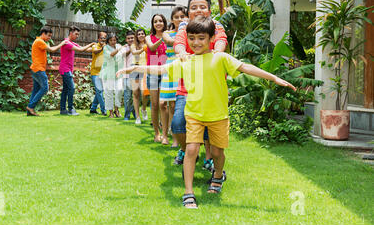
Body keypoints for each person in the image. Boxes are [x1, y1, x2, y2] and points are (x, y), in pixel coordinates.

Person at [116, 16, 296, 209]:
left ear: (211, 39)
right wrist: (135, 68)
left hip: (218, 116)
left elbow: (246, 68)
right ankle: (188, 192)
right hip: (194, 115)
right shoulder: (185, 61)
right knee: (191, 150)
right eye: (191, 38)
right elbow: (161, 69)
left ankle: (218, 176)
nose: (196, 42)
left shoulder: (221, 58)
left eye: (201, 38)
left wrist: (274, 78)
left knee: (218, 152)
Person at [172, 0, 228, 171]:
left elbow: (221, 40)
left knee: (210, 127)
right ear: (188, 12)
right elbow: (179, 42)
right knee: (178, 124)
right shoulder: (183, 26)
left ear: (209, 10)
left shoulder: (216, 25)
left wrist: (217, 53)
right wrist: (181, 53)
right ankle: (185, 150)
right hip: (188, 86)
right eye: (193, 8)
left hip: (212, 87)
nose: (198, 10)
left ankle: (210, 159)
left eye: (202, 7)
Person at [160, 6, 187, 147]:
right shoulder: (167, 33)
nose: (179, 19)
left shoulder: (190, 32)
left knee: (174, 104)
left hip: (182, 67)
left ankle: (175, 137)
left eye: (182, 16)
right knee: (162, 103)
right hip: (169, 65)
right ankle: (164, 134)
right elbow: (170, 42)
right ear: (172, 19)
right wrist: (182, 35)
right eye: (176, 17)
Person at [26, 26, 67, 116]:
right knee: (45, 88)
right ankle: (31, 106)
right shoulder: (39, 41)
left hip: (35, 68)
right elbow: (52, 49)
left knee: (36, 89)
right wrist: (62, 43)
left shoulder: (38, 41)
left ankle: (30, 110)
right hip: (38, 69)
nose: (49, 38)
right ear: (43, 34)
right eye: (48, 36)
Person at [59, 26, 95, 116]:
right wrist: (91, 44)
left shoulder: (72, 43)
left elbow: (86, 49)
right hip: (65, 69)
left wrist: (98, 48)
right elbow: (81, 50)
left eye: (78, 34)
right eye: (76, 34)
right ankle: (70, 109)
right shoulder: (66, 43)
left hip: (67, 69)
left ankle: (63, 110)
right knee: (72, 88)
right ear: (71, 33)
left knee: (66, 89)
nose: (77, 36)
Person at [145, 14, 168, 144]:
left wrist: (166, 37)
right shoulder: (149, 37)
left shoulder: (168, 35)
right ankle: (156, 133)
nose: (158, 23)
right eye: (155, 21)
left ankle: (165, 134)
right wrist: (163, 39)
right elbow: (152, 47)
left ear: (164, 23)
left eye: (160, 21)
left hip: (165, 71)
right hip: (152, 71)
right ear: (153, 24)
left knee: (163, 104)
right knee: (154, 105)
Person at [100, 33, 124, 118]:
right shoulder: (105, 47)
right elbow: (111, 55)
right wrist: (119, 49)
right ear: (108, 41)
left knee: (119, 90)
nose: (113, 42)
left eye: (114, 40)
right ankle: (110, 112)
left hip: (118, 73)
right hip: (108, 73)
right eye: (111, 40)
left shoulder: (119, 46)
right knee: (108, 92)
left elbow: (125, 54)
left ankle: (116, 109)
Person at [130, 28, 149, 124]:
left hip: (145, 68)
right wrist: (143, 49)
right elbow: (134, 52)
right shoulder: (134, 45)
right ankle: (137, 117)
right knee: (135, 93)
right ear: (136, 36)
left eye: (142, 34)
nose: (141, 35)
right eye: (139, 34)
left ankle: (144, 109)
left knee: (144, 93)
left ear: (145, 35)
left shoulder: (148, 43)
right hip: (135, 68)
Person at [88, 31, 107, 115]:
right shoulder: (95, 46)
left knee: (99, 91)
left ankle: (93, 108)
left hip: (103, 72)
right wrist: (102, 48)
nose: (103, 39)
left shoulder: (107, 47)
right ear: (98, 39)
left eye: (104, 38)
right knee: (99, 91)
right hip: (95, 72)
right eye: (101, 38)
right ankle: (104, 110)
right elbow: (95, 51)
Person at [121, 31, 136, 121]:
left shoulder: (138, 46)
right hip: (126, 76)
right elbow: (123, 55)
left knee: (137, 96)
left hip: (137, 75)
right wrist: (131, 48)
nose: (130, 39)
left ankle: (134, 112)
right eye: (129, 38)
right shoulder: (124, 48)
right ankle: (127, 115)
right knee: (127, 97)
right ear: (126, 39)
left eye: (132, 38)